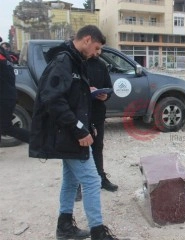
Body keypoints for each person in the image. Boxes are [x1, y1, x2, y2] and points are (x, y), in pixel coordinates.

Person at [29, 25, 119, 240]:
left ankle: (65, 226)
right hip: (67, 134)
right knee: (91, 180)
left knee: (70, 181)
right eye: (96, 47)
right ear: (87, 39)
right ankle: (98, 232)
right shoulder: (64, 61)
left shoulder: (76, 62)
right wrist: (79, 130)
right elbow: (52, 98)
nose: (97, 53)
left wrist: (85, 94)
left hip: (68, 132)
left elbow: (69, 97)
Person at [75, 57, 118, 201]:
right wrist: (87, 90)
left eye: (100, 50)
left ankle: (101, 178)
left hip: (98, 113)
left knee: (97, 147)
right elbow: (70, 88)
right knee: (80, 150)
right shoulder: (76, 62)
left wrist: (105, 96)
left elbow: (108, 87)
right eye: (97, 48)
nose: (98, 52)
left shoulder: (101, 65)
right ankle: (77, 186)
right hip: (80, 114)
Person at [0, 37, 29, 144]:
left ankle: (37, 143)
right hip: (8, 95)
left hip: (4, 97)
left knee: (6, 127)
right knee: (5, 127)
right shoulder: (5, 55)